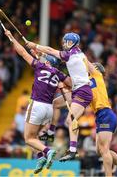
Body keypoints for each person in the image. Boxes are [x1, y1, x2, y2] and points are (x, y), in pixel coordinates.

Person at [5, 30, 71, 173]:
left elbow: (22, 52)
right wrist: (63, 85)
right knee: (36, 137)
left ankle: (47, 151)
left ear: (47, 62)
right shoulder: (59, 73)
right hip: (49, 109)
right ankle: (41, 156)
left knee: (28, 139)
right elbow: (72, 84)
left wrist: (11, 38)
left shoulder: (40, 66)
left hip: (37, 105)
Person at [26, 32, 93, 160]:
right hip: (77, 89)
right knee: (56, 104)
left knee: (70, 120)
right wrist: (39, 54)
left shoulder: (71, 54)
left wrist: (35, 45)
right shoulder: (78, 53)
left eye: (65, 41)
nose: (63, 44)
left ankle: (73, 149)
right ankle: (51, 133)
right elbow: (54, 61)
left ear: (71, 42)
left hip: (82, 91)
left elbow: (51, 51)